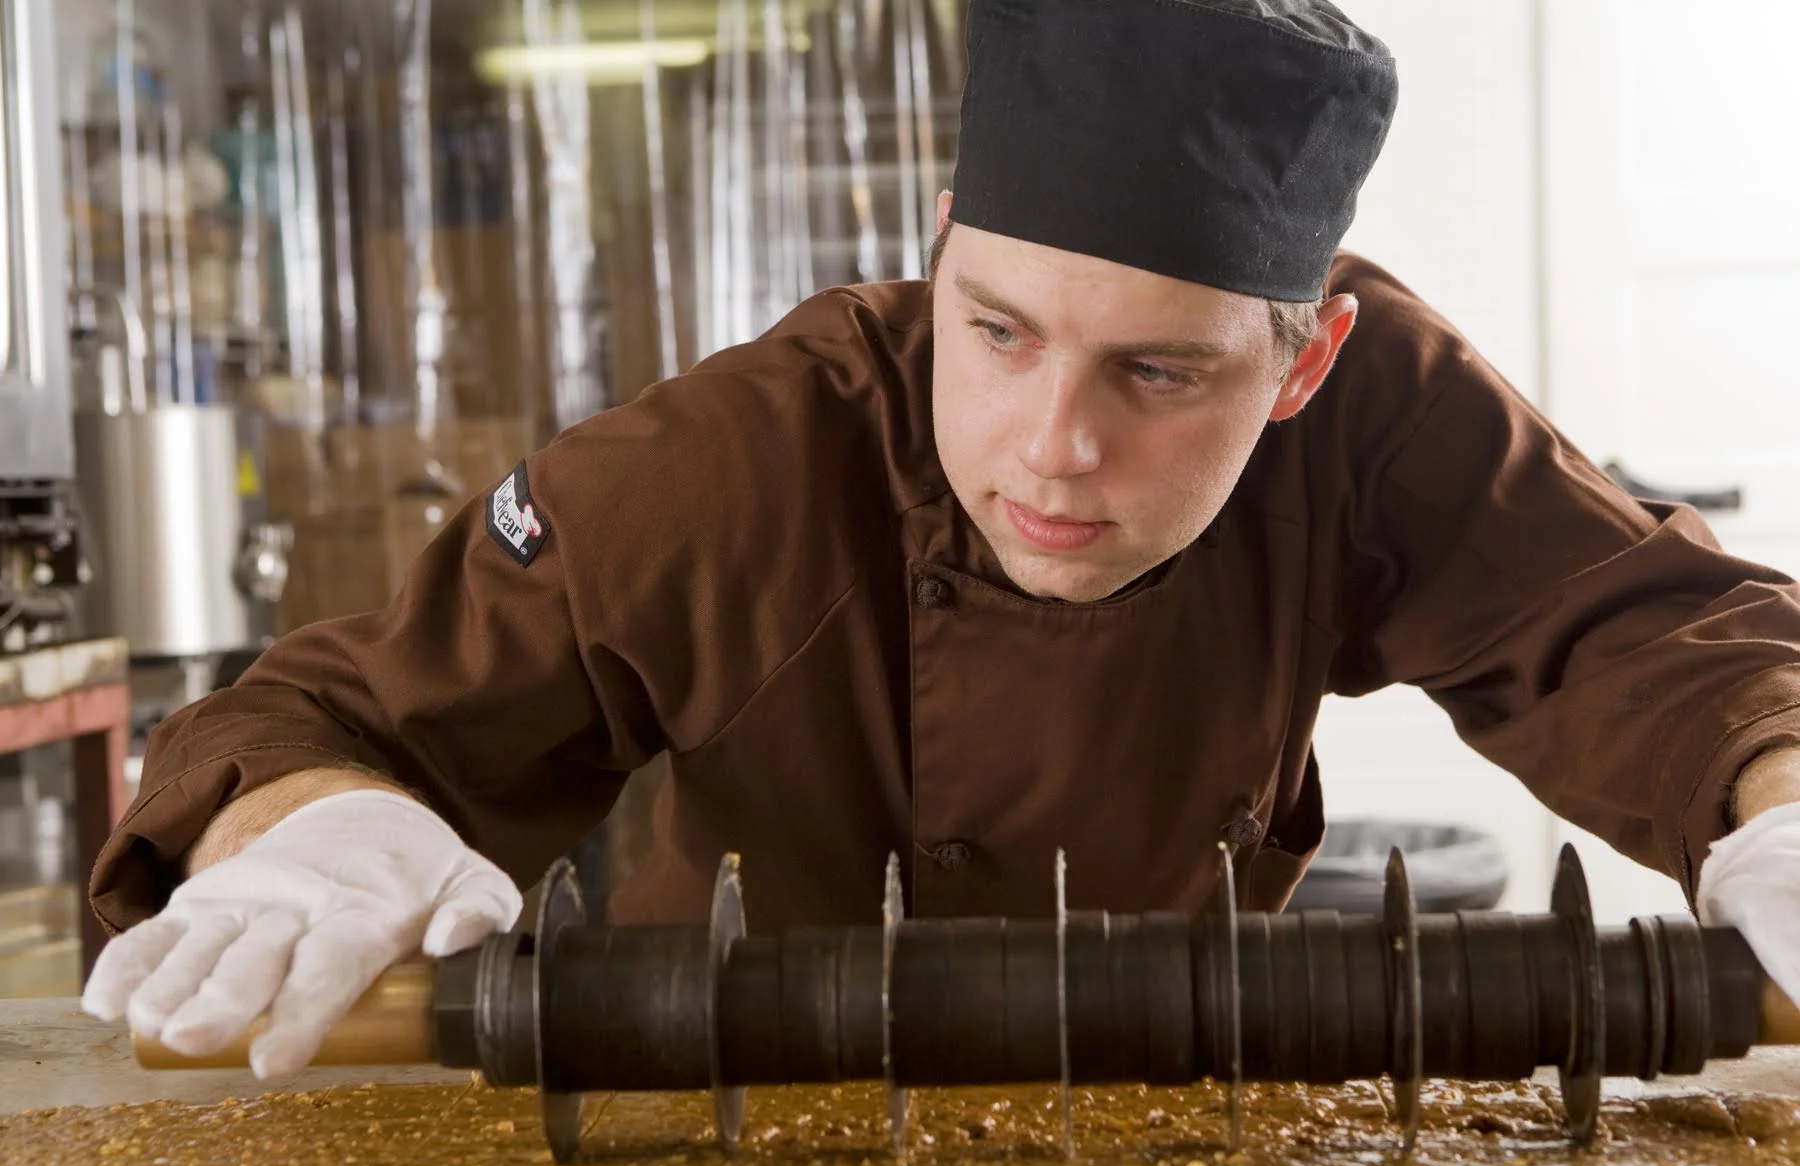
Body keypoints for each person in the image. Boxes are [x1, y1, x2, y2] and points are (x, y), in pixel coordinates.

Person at [83, 0, 1800, 1082]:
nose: (1054, 444)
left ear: (1303, 361)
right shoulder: (749, 456)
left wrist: (1786, 806)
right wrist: (311, 829)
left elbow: (1652, 630)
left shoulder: (1382, 416)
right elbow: (318, 718)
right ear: (940, 252)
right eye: (994, 331)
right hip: (718, 1103)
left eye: (1157, 371)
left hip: (1179, 1090)